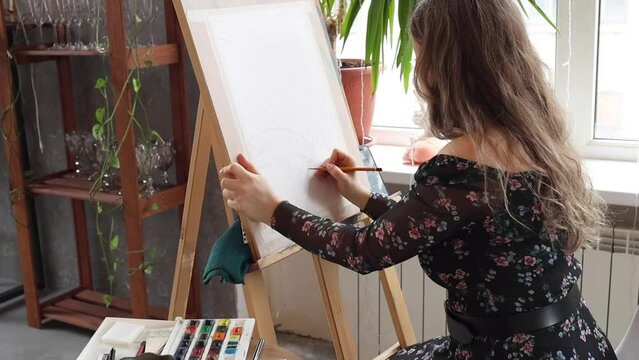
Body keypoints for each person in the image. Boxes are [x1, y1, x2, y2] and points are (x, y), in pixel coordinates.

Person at [219, 0, 617, 358]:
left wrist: (272, 208)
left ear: (447, 69)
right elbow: (449, 225)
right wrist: (363, 197)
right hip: (574, 341)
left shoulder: (462, 165)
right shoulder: (537, 135)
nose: (421, 77)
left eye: (423, 59)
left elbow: (365, 251)